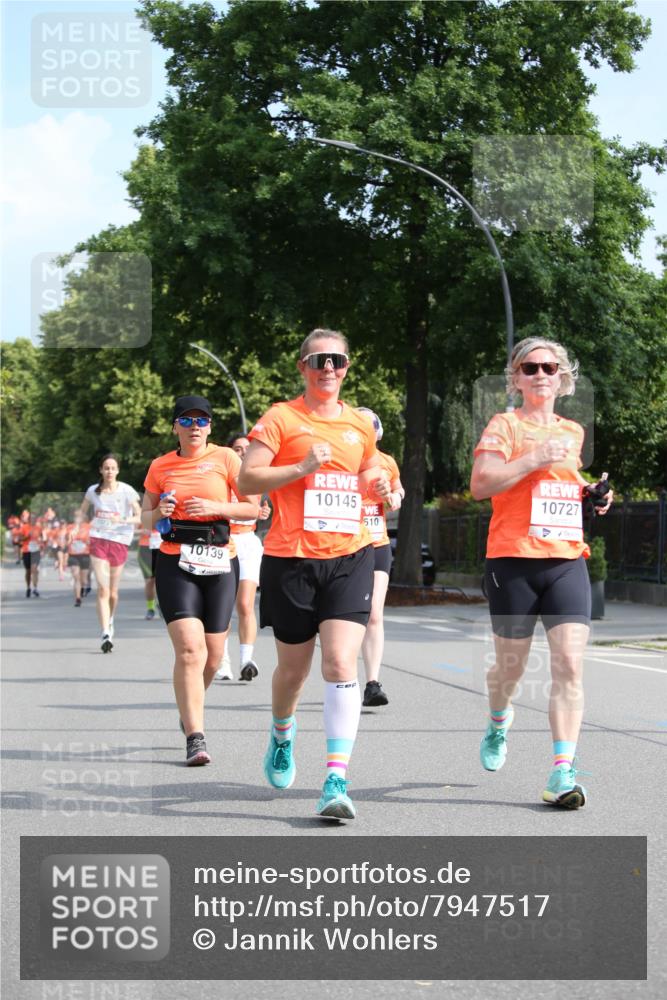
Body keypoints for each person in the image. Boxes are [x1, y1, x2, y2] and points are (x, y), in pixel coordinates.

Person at [238, 329, 389, 820]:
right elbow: (247, 478)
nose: (329, 368)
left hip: (350, 555)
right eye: (319, 360)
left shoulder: (358, 425)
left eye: (338, 360)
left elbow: (366, 476)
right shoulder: (282, 418)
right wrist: (302, 465)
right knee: (294, 671)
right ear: (303, 366)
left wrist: (379, 483)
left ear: (347, 367)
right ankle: (282, 733)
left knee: (342, 663)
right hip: (291, 557)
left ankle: (335, 778)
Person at [470, 337, 613, 809]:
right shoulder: (503, 425)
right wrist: (534, 457)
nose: (539, 375)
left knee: (570, 663)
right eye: (529, 368)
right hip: (512, 560)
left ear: (562, 377)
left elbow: (563, 485)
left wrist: (593, 495)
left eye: (549, 368)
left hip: (566, 558)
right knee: (509, 668)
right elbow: (481, 485)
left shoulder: (573, 431)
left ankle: (561, 771)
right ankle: (498, 717)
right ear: (516, 378)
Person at [142, 395, 259, 766]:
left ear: (211, 426)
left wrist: (217, 508)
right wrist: (158, 511)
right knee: (190, 651)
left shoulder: (227, 458)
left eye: (202, 421)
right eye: (187, 421)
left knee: (212, 657)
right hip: (175, 561)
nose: (195, 428)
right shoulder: (160, 466)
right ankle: (195, 735)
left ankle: (188, 705)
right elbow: (144, 519)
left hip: (220, 561)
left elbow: (252, 507)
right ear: (175, 426)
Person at [355, 408, 404, 707]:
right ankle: (342, 676)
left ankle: (372, 683)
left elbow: (398, 496)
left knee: (374, 614)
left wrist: (391, 496)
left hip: (377, 543)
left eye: (370, 428)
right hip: (345, 546)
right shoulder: (341, 460)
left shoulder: (387, 462)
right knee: (349, 617)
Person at [215, 433, 271, 681]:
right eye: (237, 449)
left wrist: (263, 512)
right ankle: (221, 661)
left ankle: (246, 659)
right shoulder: (221, 479)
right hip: (225, 542)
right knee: (223, 607)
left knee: (246, 605)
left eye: (247, 449)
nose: (242, 453)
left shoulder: (259, 477)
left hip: (248, 542)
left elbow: (263, 508)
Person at [79, 454, 141, 653]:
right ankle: (105, 631)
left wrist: (122, 520)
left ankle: (111, 619)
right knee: (103, 589)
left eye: (113, 468)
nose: (109, 471)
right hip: (98, 539)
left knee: (113, 592)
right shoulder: (92, 491)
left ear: (118, 471)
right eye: (106, 468)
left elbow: (139, 516)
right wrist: (79, 526)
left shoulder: (127, 491)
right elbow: (82, 512)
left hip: (119, 541)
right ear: (101, 470)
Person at [66, 509, 91, 607]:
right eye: (76, 516)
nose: (78, 518)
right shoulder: (70, 527)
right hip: (73, 555)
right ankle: (78, 598)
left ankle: (83, 588)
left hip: (85, 555)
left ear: (83, 517)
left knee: (83, 580)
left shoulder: (88, 527)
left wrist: (90, 542)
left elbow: (94, 539)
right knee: (76, 577)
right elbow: (68, 541)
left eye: (79, 516)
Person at [137, 526, 162, 619]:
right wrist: (142, 531)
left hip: (163, 546)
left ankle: (161, 605)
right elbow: (133, 528)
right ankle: (150, 608)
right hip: (146, 548)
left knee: (162, 580)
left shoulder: (168, 511)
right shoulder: (145, 511)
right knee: (150, 580)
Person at [19, 510, 44, 597]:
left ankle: (35, 588)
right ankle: (28, 587)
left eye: (34, 518)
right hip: (27, 551)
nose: (33, 520)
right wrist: (27, 536)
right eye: (31, 518)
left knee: (35, 569)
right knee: (28, 571)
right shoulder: (24, 527)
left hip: (36, 551)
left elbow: (42, 538)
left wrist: (41, 545)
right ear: (29, 519)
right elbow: (20, 539)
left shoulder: (39, 528)